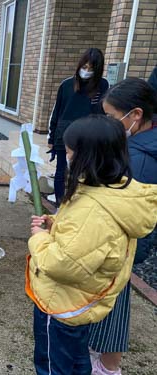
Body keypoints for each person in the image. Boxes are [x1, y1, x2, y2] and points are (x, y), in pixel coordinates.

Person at [27, 115, 157, 374]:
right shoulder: (111, 191)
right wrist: (55, 224)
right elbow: (87, 241)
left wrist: (38, 237)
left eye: (69, 152)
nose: (67, 158)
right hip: (82, 300)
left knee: (53, 363)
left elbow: (61, 263)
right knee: (77, 356)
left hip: (63, 304)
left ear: (87, 157)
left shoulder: (93, 210)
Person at [88, 78, 157, 375]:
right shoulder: (140, 145)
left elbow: (131, 214)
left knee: (114, 306)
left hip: (122, 247)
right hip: (123, 245)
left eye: (112, 117)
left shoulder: (139, 158)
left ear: (136, 115)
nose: (109, 123)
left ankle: (107, 367)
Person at [47, 48, 109, 205]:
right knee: (61, 170)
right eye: (84, 67)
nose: (86, 71)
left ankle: (79, 204)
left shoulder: (103, 85)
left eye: (91, 68)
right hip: (64, 133)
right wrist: (51, 136)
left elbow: (104, 113)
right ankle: (60, 203)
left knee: (84, 171)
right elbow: (56, 111)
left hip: (88, 135)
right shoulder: (67, 84)